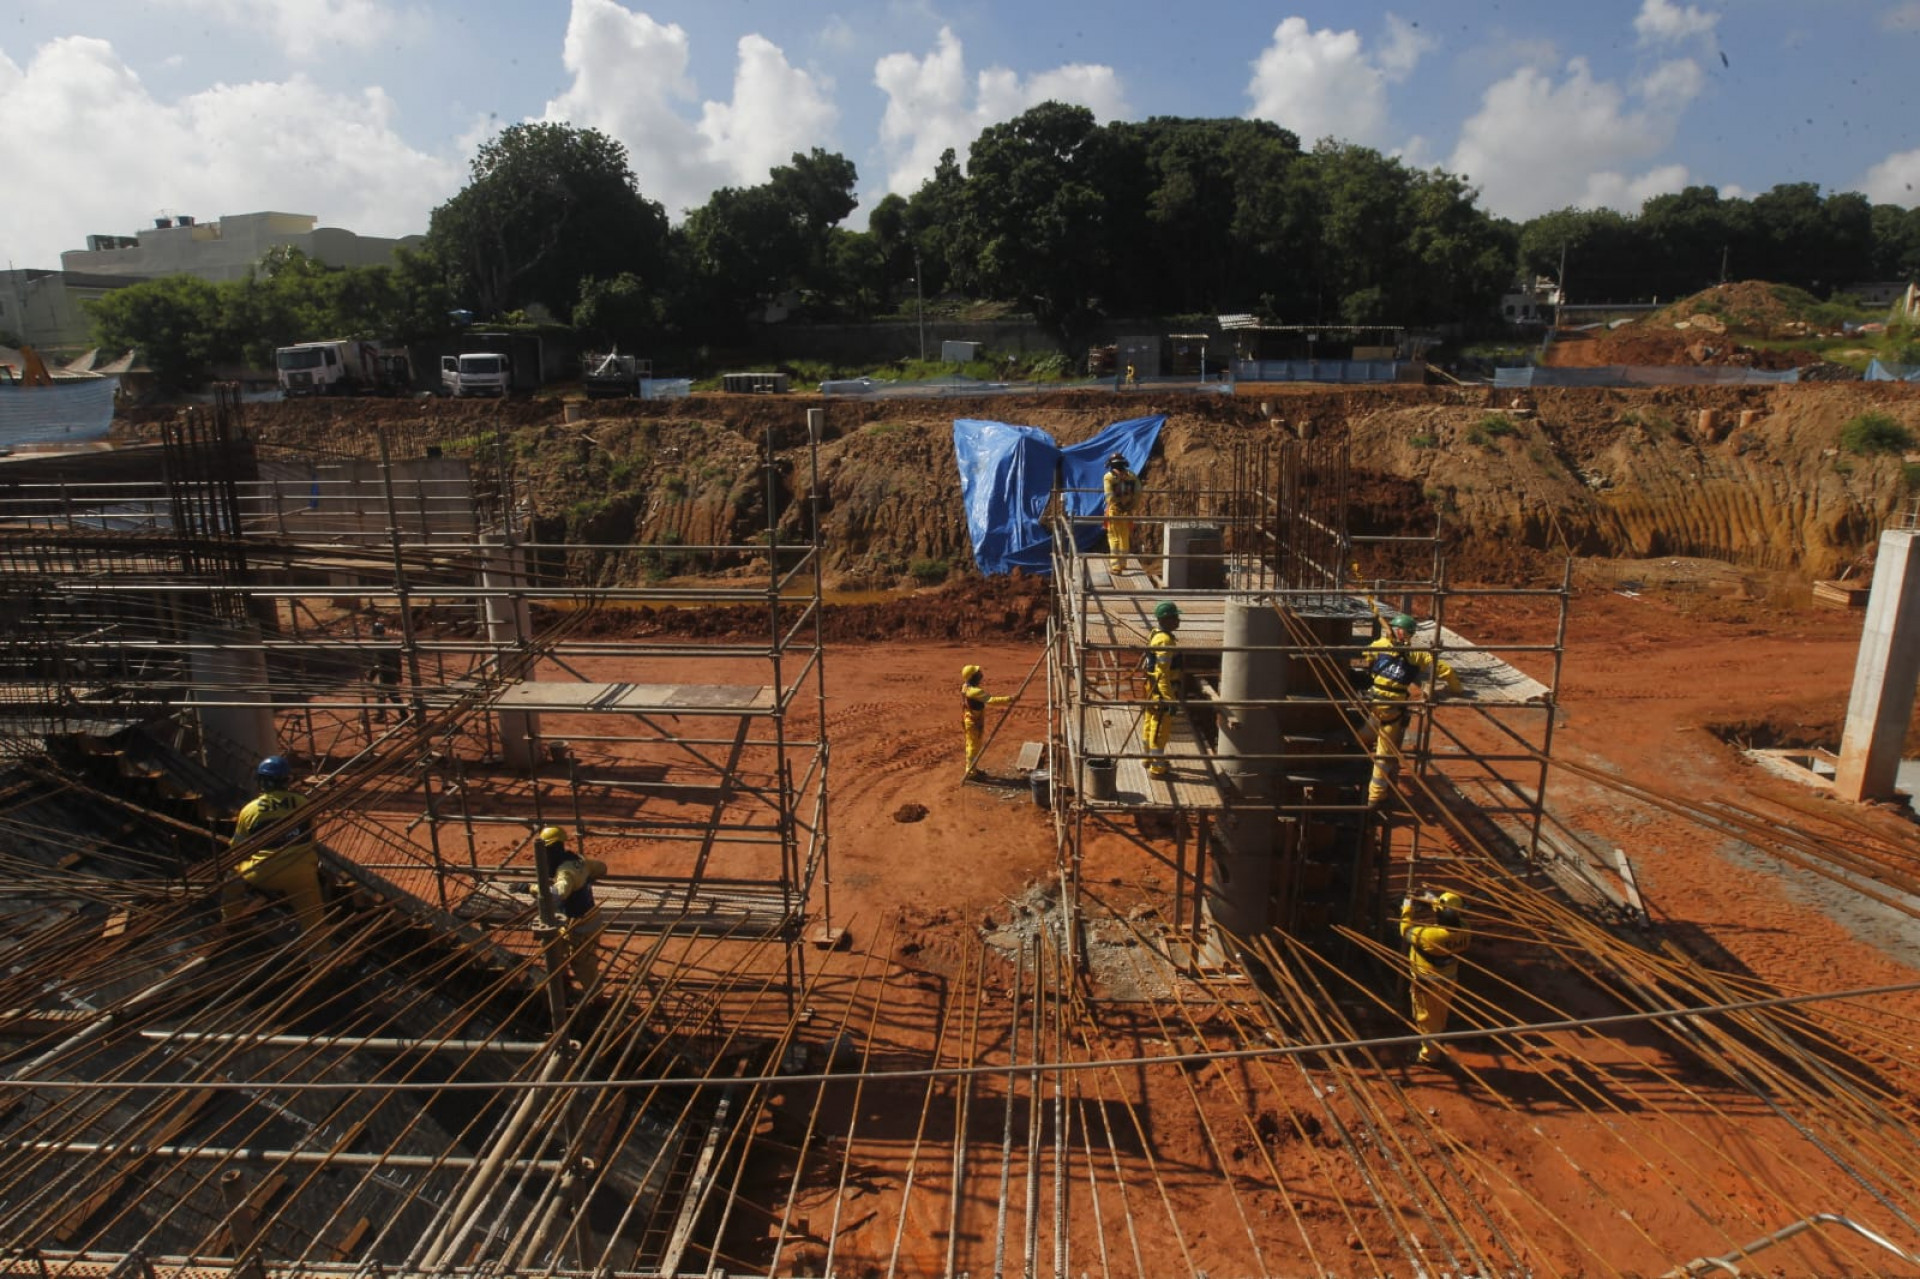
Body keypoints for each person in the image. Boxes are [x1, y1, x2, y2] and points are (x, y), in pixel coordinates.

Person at [1363, 612, 1463, 809]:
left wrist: (1385, 645)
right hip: (1392, 710)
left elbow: (1368, 655)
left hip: (1374, 703)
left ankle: (1356, 752)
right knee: (1384, 756)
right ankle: (1375, 797)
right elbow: (1445, 670)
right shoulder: (1416, 654)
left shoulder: (1382, 646)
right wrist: (1456, 689)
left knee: (1366, 733)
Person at [223, 755, 324, 934]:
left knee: (232, 878)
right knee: (313, 915)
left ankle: (231, 921)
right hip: (300, 873)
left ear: (262, 782)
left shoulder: (250, 810)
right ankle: (319, 954)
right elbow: (311, 838)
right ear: (287, 780)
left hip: (262, 874)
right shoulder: (304, 804)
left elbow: (237, 849)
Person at [1400, 889, 1471, 1064]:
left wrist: (1407, 907)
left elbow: (1405, 929)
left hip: (1427, 986)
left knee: (1426, 1020)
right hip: (1449, 981)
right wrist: (1432, 900)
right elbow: (1449, 913)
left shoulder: (1431, 936)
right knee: (1441, 1014)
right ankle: (1438, 1040)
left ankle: (1428, 1057)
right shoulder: (1465, 930)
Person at [534, 826, 606, 991]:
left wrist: (530, 888)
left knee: (583, 963)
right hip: (573, 920)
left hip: (581, 924)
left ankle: (597, 998)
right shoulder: (578, 861)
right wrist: (586, 875)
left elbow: (557, 893)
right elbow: (601, 867)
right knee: (554, 948)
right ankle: (563, 979)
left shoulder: (565, 872)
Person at [1139, 601, 1182, 778]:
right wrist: (1170, 699)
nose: (1178, 621)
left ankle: (1147, 758)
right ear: (1167, 619)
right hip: (1160, 690)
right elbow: (1162, 674)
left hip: (1152, 688)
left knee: (1149, 722)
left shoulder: (1156, 634)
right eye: (1175, 617)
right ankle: (1157, 769)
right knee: (1159, 729)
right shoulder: (1164, 641)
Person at [961, 664, 1012, 780]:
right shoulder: (974, 692)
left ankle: (972, 768)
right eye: (978, 673)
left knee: (974, 746)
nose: (981, 675)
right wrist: (1010, 699)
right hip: (973, 722)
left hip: (972, 720)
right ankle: (970, 772)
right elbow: (991, 700)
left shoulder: (965, 686)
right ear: (973, 677)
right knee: (973, 748)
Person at [1102, 451, 1143, 575]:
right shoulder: (1132, 476)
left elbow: (1109, 496)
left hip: (1114, 511)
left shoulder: (1109, 477)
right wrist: (1131, 506)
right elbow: (1138, 493)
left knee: (1114, 538)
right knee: (1124, 537)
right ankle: (1123, 563)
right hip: (1127, 511)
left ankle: (1116, 567)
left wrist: (1117, 505)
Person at [368, 620, 403, 723]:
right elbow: (398, 661)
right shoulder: (389, 644)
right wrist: (399, 674)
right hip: (390, 672)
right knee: (384, 694)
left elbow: (379, 663)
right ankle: (383, 714)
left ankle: (400, 714)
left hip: (386, 673)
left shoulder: (381, 646)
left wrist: (371, 675)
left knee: (390, 695)